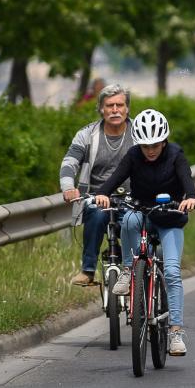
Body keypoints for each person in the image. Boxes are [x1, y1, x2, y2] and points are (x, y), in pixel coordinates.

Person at [94, 109, 195, 356]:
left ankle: (174, 332)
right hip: (141, 211)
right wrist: (102, 193)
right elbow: (116, 177)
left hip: (170, 216)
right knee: (129, 218)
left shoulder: (176, 155)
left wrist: (190, 199)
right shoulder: (133, 156)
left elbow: (188, 183)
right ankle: (129, 270)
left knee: (172, 272)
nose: (150, 150)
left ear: (164, 141)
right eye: (145, 146)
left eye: (155, 145)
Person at [60, 83, 134, 286]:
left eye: (120, 105)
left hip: (133, 199)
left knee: (134, 221)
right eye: (110, 105)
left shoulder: (139, 133)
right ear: (101, 108)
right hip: (97, 198)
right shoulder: (87, 135)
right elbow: (69, 163)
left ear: (127, 108)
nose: (115, 110)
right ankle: (88, 270)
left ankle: (137, 270)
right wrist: (68, 187)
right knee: (96, 212)